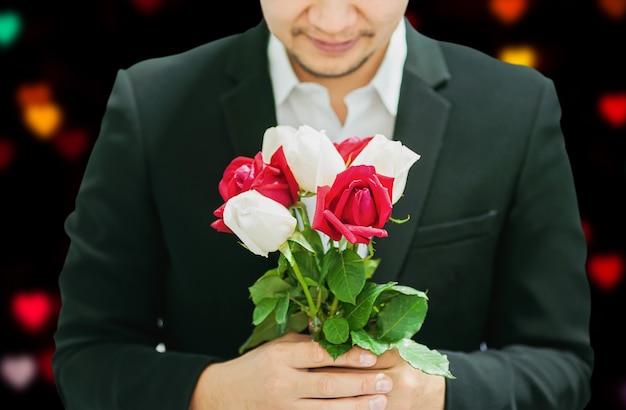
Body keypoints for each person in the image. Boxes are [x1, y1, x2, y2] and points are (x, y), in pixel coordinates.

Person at [52, 0, 594, 409]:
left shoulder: (517, 108)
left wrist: (435, 393)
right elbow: (86, 356)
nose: (332, 21)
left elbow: (561, 364)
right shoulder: (151, 104)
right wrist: (214, 391)